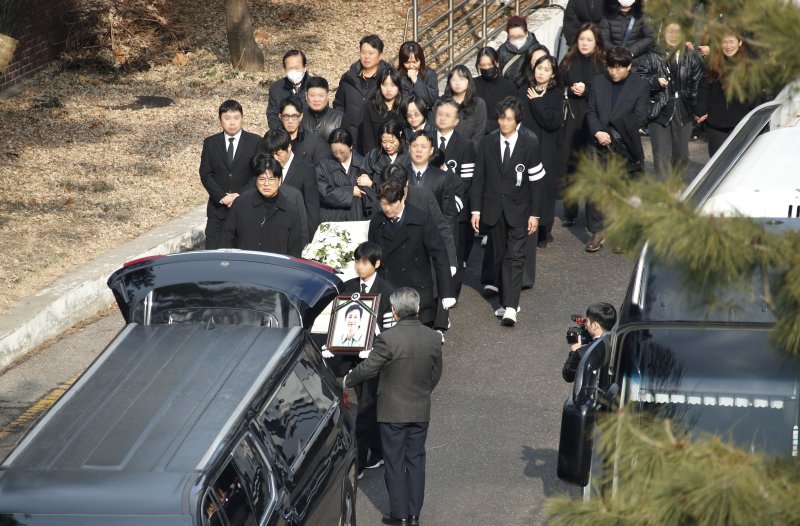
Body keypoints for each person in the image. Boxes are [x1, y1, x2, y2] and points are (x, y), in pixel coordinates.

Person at [344, 287, 443, 526]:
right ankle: (414, 514)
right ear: (418, 309)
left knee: (395, 462)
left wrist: (347, 380)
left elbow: (368, 368)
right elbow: (435, 373)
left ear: (394, 311)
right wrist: (422, 391)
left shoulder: (388, 338)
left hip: (392, 411)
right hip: (420, 409)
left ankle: (399, 514)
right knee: (416, 460)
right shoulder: (432, 337)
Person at [470, 96, 545, 327]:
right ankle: (506, 300)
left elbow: (536, 181)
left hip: (520, 209)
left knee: (515, 256)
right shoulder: (487, 143)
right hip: (493, 209)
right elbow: (478, 178)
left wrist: (535, 214)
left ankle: (511, 307)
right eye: (501, 118)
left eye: (509, 119)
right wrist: (476, 210)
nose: (503, 123)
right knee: (500, 256)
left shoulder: (529, 142)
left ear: (517, 120)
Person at [584, 46, 649, 252]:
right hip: (597, 143)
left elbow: (640, 116)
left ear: (629, 66)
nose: (614, 71)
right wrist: (597, 132)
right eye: (611, 67)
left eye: (620, 68)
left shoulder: (640, 85)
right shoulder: (598, 81)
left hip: (625, 145)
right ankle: (597, 231)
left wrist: (612, 134)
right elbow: (590, 111)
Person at [340, 241, 396, 476]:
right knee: (367, 406)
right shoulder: (348, 287)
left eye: (364, 262)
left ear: (377, 263)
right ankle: (380, 450)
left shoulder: (387, 290)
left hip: (375, 359)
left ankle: (360, 461)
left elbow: (390, 330)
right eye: (357, 261)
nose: (359, 266)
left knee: (365, 409)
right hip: (352, 356)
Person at [369, 178, 455, 327]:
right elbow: (372, 253)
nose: (387, 209)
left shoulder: (421, 219)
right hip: (389, 288)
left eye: (391, 204)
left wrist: (446, 292)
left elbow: (439, 254)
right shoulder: (377, 221)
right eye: (383, 204)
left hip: (418, 289)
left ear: (403, 198)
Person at [638, 21, 704, 180]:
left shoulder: (691, 56)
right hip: (659, 107)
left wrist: (698, 109)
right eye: (670, 32)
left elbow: (699, 82)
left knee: (681, 155)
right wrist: (655, 81)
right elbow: (640, 77)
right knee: (661, 154)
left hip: (683, 108)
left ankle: (675, 182)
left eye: (677, 32)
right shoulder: (653, 55)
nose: (673, 36)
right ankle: (665, 192)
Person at [199, 99, 265, 250]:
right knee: (214, 253)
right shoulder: (211, 143)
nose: (232, 123)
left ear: (242, 118)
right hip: (218, 208)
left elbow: (258, 173)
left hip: (246, 206)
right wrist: (222, 197)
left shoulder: (255, 141)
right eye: (227, 118)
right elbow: (205, 173)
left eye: (236, 118)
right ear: (220, 120)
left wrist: (239, 195)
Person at [558, 23, 606, 227]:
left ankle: (592, 213)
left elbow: (605, 91)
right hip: (571, 117)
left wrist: (587, 90)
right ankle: (570, 209)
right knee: (570, 164)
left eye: (589, 39)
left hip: (593, 118)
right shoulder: (568, 60)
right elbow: (558, 83)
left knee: (590, 165)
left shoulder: (602, 63)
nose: (584, 43)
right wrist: (570, 89)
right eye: (581, 39)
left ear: (596, 43)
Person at [519, 53, 564, 249]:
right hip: (525, 144)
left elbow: (552, 122)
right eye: (539, 68)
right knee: (525, 185)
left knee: (544, 187)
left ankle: (544, 227)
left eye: (546, 69)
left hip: (546, 146)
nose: (541, 72)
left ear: (553, 74)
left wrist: (537, 102)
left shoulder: (556, 95)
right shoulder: (524, 90)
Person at [219, 155, 303, 256]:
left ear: (279, 181)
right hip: (244, 266)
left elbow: (294, 250)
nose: (266, 184)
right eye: (262, 179)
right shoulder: (241, 203)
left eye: (271, 179)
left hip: (276, 268)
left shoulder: (290, 212)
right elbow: (227, 238)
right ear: (256, 180)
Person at [695, 32, 761, 157]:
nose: (728, 46)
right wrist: (700, 110)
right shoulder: (712, 63)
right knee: (717, 162)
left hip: (742, 123)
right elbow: (704, 88)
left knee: (739, 162)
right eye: (725, 42)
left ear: (739, 42)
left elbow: (755, 94)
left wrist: (754, 118)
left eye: (731, 41)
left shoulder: (749, 65)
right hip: (716, 124)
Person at [434, 98, 476, 287]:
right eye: (440, 114)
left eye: (448, 115)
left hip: (455, 205)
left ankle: (452, 289)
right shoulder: (424, 139)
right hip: (429, 203)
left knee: (454, 251)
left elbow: (466, 180)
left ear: (456, 121)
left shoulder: (465, 145)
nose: (442, 118)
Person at [334, 34, 393, 154]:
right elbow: (339, 105)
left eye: (371, 53)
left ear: (380, 55)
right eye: (363, 52)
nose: (366, 57)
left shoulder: (389, 80)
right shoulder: (348, 78)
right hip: (351, 140)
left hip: (378, 142)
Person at [263, 128, 321, 236]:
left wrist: (311, 239)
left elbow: (311, 207)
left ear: (289, 147)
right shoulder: (266, 168)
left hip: (295, 230)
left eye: (278, 153)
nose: (275, 158)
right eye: (271, 154)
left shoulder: (306, 169)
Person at [316, 128, 371, 222]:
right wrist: (350, 192)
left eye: (342, 152)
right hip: (332, 217)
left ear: (351, 146)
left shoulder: (364, 163)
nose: (338, 155)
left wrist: (371, 184)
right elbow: (323, 192)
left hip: (358, 216)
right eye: (334, 152)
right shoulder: (323, 165)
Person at [562, 302, 616, 382]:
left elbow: (568, 375)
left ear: (595, 325)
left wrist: (574, 351)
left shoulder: (583, 352)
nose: (585, 324)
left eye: (586, 321)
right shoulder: (619, 341)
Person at [473, 47, 518, 134]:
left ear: (497, 63)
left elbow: (514, 113)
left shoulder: (509, 87)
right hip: (477, 134)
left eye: (489, 65)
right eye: (482, 65)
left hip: (502, 134)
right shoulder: (472, 85)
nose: (486, 68)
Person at [274, 95, 329, 165]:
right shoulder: (272, 141)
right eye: (286, 116)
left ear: (301, 117)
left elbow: (323, 170)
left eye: (294, 116)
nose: (290, 121)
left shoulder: (314, 143)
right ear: (280, 117)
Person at [443, 65, 487, 149]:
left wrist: (467, 154)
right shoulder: (441, 103)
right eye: (453, 79)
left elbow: (479, 135)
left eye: (461, 79)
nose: (457, 83)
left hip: (470, 154)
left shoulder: (479, 104)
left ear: (469, 81)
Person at [362, 67, 403, 154]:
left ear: (398, 86)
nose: (388, 89)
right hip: (377, 159)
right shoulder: (370, 107)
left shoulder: (404, 107)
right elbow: (368, 140)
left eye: (393, 85)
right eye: (384, 84)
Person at [267, 49, 309, 131]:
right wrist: (283, 135)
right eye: (290, 68)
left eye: (297, 68)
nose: (294, 72)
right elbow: (272, 115)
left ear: (305, 68)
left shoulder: (314, 86)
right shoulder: (276, 88)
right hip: (284, 135)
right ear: (284, 69)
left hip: (310, 135)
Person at [362, 121, 410, 190]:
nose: (387, 146)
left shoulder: (409, 156)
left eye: (392, 142)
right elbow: (362, 178)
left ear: (400, 139)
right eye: (384, 142)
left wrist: (372, 185)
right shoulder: (373, 155)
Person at [498, 15, 541, 82]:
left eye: (520, 36)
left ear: (526, 33)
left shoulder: (538, 50)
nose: (516, 40)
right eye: (512, 37)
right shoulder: (502, 51)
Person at [398, 41, 439, 109]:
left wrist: (416, 81)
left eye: (414, 62)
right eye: (407, 62)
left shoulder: (430, 74)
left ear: (421, 61)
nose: (411, 66)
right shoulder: (398, 75)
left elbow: (432, 100)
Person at [302, 76, 344, 141]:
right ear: (306, 96)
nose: (316, 99)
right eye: (312, 95)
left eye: (321, 95)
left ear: (328, 96)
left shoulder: (340, 118)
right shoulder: (299, 118)